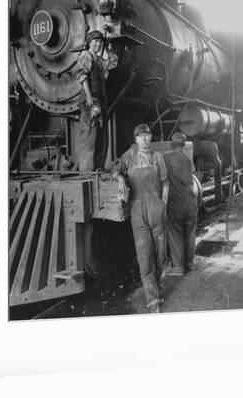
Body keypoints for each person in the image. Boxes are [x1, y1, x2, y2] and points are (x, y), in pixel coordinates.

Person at [113, 124, 169, 313]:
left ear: (150, 138)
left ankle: (158, 288)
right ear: (136, 139)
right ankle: (153, 300)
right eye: (141, 136)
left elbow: (165, 182)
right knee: (145, 258)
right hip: (138, 212)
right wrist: (121, 179)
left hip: (157, 210)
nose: (144, 139)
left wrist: (163, 205)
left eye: (147, 136)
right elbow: (116, 171)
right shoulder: (129, 156)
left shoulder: (158, 158)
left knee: (160, 257)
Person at [76, 29, 118, 171]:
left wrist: (106, 46)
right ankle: (87, 171)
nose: (98, 44)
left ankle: (98, 168)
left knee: (102, 137)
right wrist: (89, 97)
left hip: (101, 102)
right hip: (90, 102)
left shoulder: (100, 61)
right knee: (90, 136)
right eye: (95, 42)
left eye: (100, 42)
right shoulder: (86, 55)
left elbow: (113, 62)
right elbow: (82, 76)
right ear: (89, 43)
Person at [164, 132, 198, 276]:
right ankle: (189, 263)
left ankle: (178, 267)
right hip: (191, 202)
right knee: (190, 233)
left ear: (172, 145)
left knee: (175, 233)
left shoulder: (166, 158)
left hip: (176, 203)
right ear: (184, 145)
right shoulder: (188, 160)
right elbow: (193, 173)